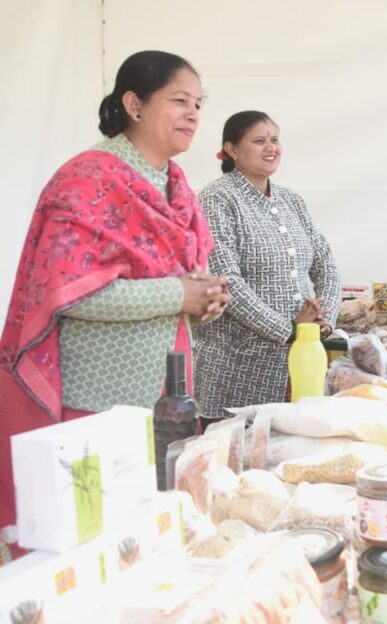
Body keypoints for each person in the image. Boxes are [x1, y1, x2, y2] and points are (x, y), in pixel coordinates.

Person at [0, 51, 227, 535]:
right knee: (96, 541)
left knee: (153, 536)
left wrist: (205, 300)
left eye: (198, 104)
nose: (193, 114)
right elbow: (69, 295)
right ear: (135, 104)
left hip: (169, 399)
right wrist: (179, 296)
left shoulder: (177, 187)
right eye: (179, 100)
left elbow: (183, 286)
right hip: (99, 402)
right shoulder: (87, 181)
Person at [193, 111, 341, 421]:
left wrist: (323, 319)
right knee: (238, 447)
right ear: (232, 149)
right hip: (236, 365)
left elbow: (325, 262)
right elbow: (226, 281)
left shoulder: (291, 201)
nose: (271, 148)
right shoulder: (216, 199)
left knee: (291, 443)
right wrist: (288, 330)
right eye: (259, 141)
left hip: (299, 358)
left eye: (274, 139)